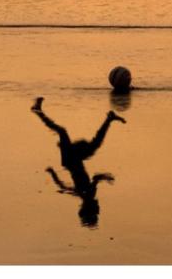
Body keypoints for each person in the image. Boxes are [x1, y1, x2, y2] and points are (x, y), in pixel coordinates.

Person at [31, 97, 125, 227]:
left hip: (71, 159)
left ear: (89, 207)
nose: (98, 206)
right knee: (90, 143)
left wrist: (52, 173)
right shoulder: (86, 194)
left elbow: (65, 186)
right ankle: (109, 119)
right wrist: (103, 177)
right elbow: (68, 186)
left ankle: (38, 111)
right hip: (73, 159)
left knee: (66, 133)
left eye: (96, 209)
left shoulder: (85, 194)